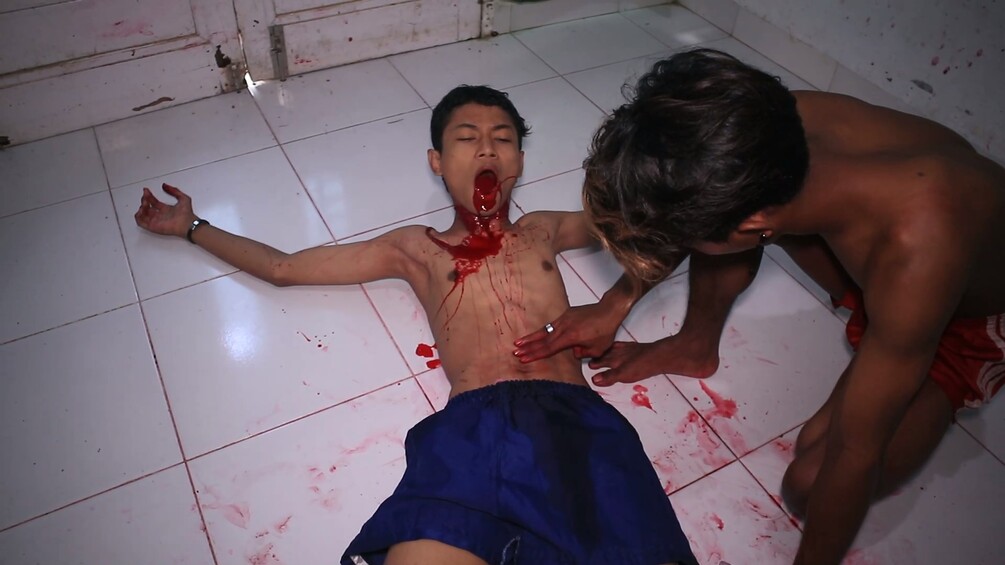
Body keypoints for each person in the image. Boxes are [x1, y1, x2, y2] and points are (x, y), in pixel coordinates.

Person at [134, 85, 697, 565]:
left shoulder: (544, 228)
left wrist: (616, 303)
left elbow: (664, 223)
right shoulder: (415, 249)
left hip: (576, 422)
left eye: (503, 139)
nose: (487, 147)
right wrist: (193, 227)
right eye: (467, 138)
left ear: (520, 162)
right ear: (437, 162)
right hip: (473, 430)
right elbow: (283, 268)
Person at [512, 48, 1005, 564]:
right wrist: (613, 305)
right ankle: (694, 346)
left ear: (755, 228)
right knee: (712, 221)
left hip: (959, 321)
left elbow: (857, 454)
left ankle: (922, 377)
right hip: (865, 261)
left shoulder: (918, 250)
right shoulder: (758, 128)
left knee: (810, 484)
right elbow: (693, 200)